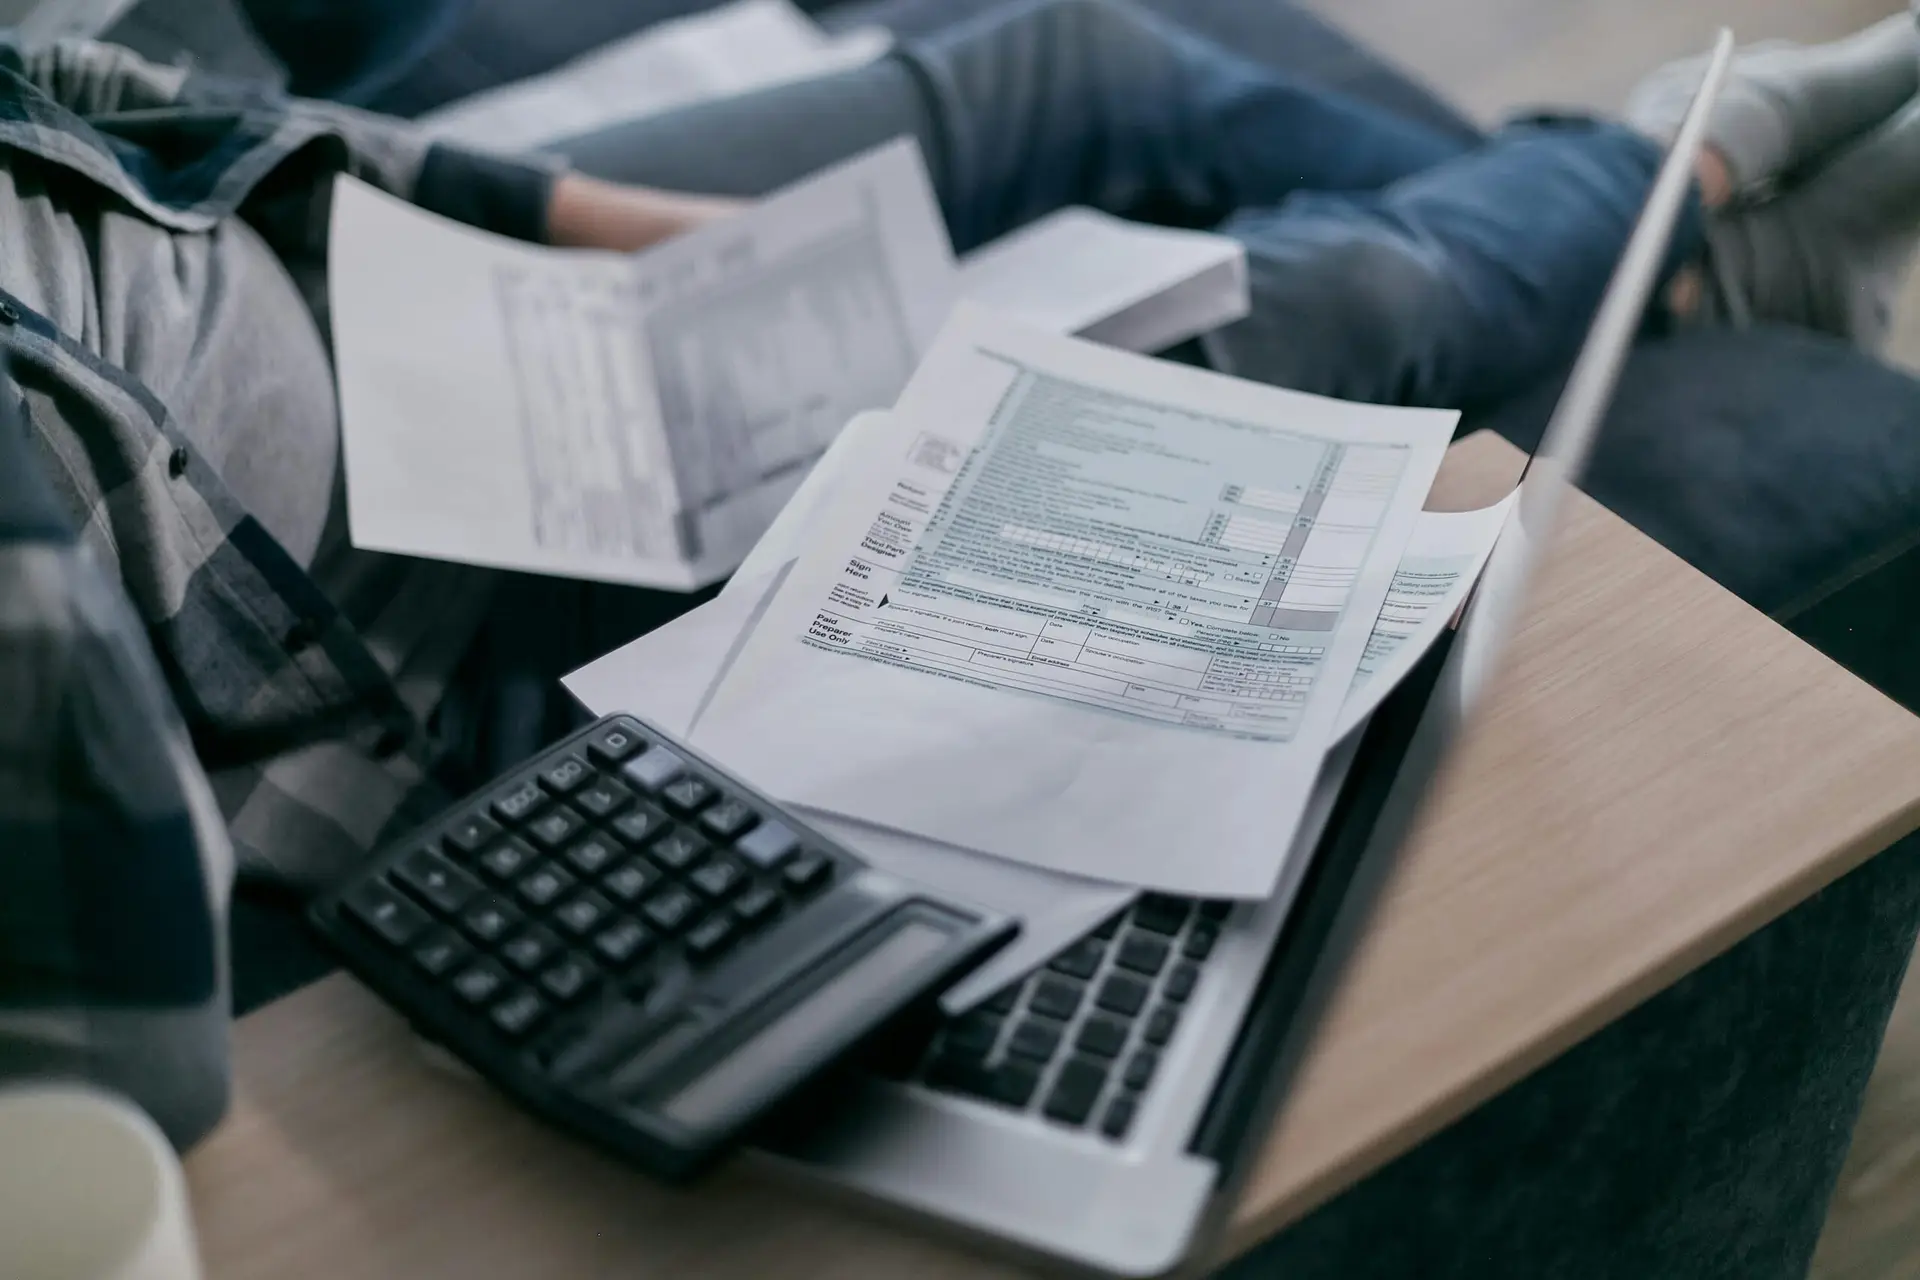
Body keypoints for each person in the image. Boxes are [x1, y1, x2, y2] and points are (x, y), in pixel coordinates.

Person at [2, 0, 1917, 1151]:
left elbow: (81, 93)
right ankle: (1690, 184)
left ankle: (1655, 248)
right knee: (1317, 318)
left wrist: (586, 236)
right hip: (437, 656)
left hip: (438, 317)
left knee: (1064, 59)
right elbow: (130, 1081)